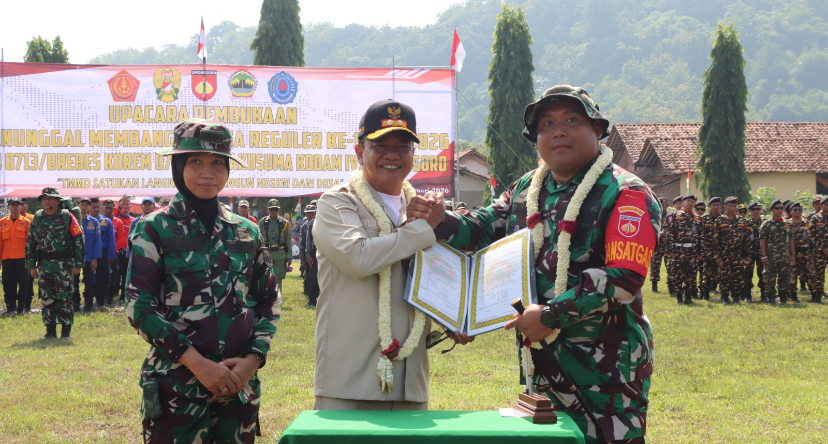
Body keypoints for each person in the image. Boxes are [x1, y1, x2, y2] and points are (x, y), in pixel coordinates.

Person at [426, 86, 658, 443]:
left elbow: (624, 279)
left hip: (607, 370)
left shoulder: (626, 192)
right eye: (547, 124)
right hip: (542, 363)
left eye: (571, 120)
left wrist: (549, 316)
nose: (558, 131)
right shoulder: (527, 189)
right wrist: (441, 220)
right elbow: (484, 228)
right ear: (536, 138)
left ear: (597, 130)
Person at [126, 119, 280, 442]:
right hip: (176, 389)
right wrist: (198, 365)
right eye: (195, 162)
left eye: (217, 163)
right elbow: (139, 308)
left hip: (238, 389)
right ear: (178, 165)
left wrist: (252, 361)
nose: (207, 173)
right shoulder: (153, 229)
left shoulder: (246, 231)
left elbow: (269, 301)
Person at [313, 99, 472, 411]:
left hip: (410, 384)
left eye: (402, 146)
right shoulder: (338, 203)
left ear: (414, 155)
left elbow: (435, 276)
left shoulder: (422, 209)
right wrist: (426, 228)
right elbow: (358, 258)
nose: (392, 155)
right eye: (380, 145)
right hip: (350, 383)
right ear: (360, 152)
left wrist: (455, 318)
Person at [25, 187, 85, 340]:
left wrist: (78, 264)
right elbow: (31, 243)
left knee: (65, 298)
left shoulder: (67, 217)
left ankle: (66, 332)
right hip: (44, 264)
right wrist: (31, 266)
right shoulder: (37, 218)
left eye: (50, 198)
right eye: (44, 198)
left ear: (58, 200)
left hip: (64, 264)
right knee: (46, 298)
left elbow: (78, 240)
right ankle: (50, 331)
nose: (46, 201)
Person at [665, 195, 705, 305]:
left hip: (692, 251)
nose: (690, 203)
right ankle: (679, 298)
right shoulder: (674, 215)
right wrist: (670, 249)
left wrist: (701, 251)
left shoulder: (697, 218)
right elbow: (669, 233)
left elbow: (701, 236)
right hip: (678, 250)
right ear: (683, 202)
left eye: (692, 202)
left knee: (691, 275)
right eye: (688, 201)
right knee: (677, 275)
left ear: (694, 204)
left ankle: (688, 298)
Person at [712, 197, 750, 304]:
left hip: (738, 253)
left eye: (735, 206)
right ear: (725, 207)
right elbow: (715, 240)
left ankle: (736, 297)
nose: (733, 208)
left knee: (738, 275)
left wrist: (747, 255)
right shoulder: (720, 220)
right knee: (724, 276)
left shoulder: (742, 220)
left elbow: (746, 239)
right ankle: (725, 297)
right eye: (730, 206)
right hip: (725, 253)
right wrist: (717, 257)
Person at [760, 199, 796, 305]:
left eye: (781, 208)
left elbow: (791, 240)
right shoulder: (766, 224)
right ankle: (771, 297)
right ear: (772, 210)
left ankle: (783, 298)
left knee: (784, 278)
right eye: (777, 208)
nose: (780, 210)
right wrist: (764, 256)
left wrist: (793, 255)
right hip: (771, 256)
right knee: (770, 278)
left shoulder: (788, 224)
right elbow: (762, 241)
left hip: (785, 256)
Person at [0, 198, 32, 314]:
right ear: (8, 207)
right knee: (8, 284)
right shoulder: (2, 222)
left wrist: (31, 258)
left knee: (24, 284)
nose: (15, 207)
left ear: (21, 207)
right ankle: (10, 307)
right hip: (7, 258)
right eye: (12, 205)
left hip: (22, 258)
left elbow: (30, 242)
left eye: (17, 205)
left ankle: (21, 308)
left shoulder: (27, 222)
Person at [75, 197, 101, 313]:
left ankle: (88, 305)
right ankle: (75, 304)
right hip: (75, 258)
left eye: (86, 205)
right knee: (74, 282)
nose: (84, 207)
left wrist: (95, 259)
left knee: (89, 282)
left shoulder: (94, 222)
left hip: (89, 258)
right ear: (78, 205)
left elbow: (97, 241)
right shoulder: (72, 221)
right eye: (82, 204)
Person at [258, 199, 291, 286]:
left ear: (279, 209)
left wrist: (289, 256)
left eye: (275, 209)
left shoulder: (285, 223)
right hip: (267, 255)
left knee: (278, 279)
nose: (273, 211)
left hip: (280, 255)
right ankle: (268, 299)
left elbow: (288, 240)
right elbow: (259, 240)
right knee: (266, 279)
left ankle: (278, 298)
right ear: (267, 209)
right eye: (271, 209)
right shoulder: (262, 222)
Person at [91, 198, 116, 309]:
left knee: (104, 277)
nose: (96, 209)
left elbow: (111, 239)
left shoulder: (106, 221)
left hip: (103, 253)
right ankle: (89, 301)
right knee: (89, 278)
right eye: (93, 207)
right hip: (89, 253)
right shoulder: (85, 221)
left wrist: (111, 255)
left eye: (98, 207)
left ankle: (101, 301)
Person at [807, 195, 828, 304]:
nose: (827, 207)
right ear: (822, 205)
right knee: (818, 275)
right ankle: (817, 296)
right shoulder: (815, 218)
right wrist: (822, 248)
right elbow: (810, 235)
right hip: (819, 252)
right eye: (825, 204)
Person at [699, 197, 721, 300]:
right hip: (707, 248)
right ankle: (705, 293)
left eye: (718, 205)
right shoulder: (704, 219)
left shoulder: (723, 219)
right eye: (714, 205)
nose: (716, 207)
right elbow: (700, 234)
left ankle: (721, 291)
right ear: (709, 207)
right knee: (706, 272)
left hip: (720, 250)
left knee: (720, 272)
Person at [113, 196, 134, 303]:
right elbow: (115, 211)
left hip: (128, 251)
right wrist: (123, 200)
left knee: (126, 274)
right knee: (117, 273)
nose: (125, 207)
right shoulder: (117, 217)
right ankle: (113, 293)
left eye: (127, 205)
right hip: (118, 251)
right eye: (124, 205)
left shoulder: (133, 220)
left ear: (130, 207)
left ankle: (123, 295)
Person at [744, 201, 765, 302]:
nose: (756, 211)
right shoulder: (746, 223)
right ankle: (747, 295)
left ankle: (764, 295)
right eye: (753, 209)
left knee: (763, 273)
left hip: (762, 252)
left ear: (760, 210)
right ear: (750, 211)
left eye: (758, 209)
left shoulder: (765, 223)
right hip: (750, 253)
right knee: (748, 274)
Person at [648, 196, 668, 293]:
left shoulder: (671, 217)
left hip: (667, 245)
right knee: (655, 266)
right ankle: (654, 286)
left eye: (663, 204)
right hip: (656, 245)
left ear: (667, 205)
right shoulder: (654, 216)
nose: (661, 206)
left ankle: (671, 286)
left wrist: (664, 234)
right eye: (660, 204)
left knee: (670, 266)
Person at [301, 204, 319, 307]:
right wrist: (307, 256)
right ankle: (312, 299)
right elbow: (307, 241)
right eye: (308, 213)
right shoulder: (310, 224)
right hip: (313, 252)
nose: (310, 215)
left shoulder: (325, 222)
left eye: (312, 213)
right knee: (313, 277)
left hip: (325, 252)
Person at [291, 211, 306, 277]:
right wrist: (300, 238)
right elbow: (294, 231)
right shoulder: (300, 222)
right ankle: (302, 271)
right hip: (303, 243)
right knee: (302, 257)